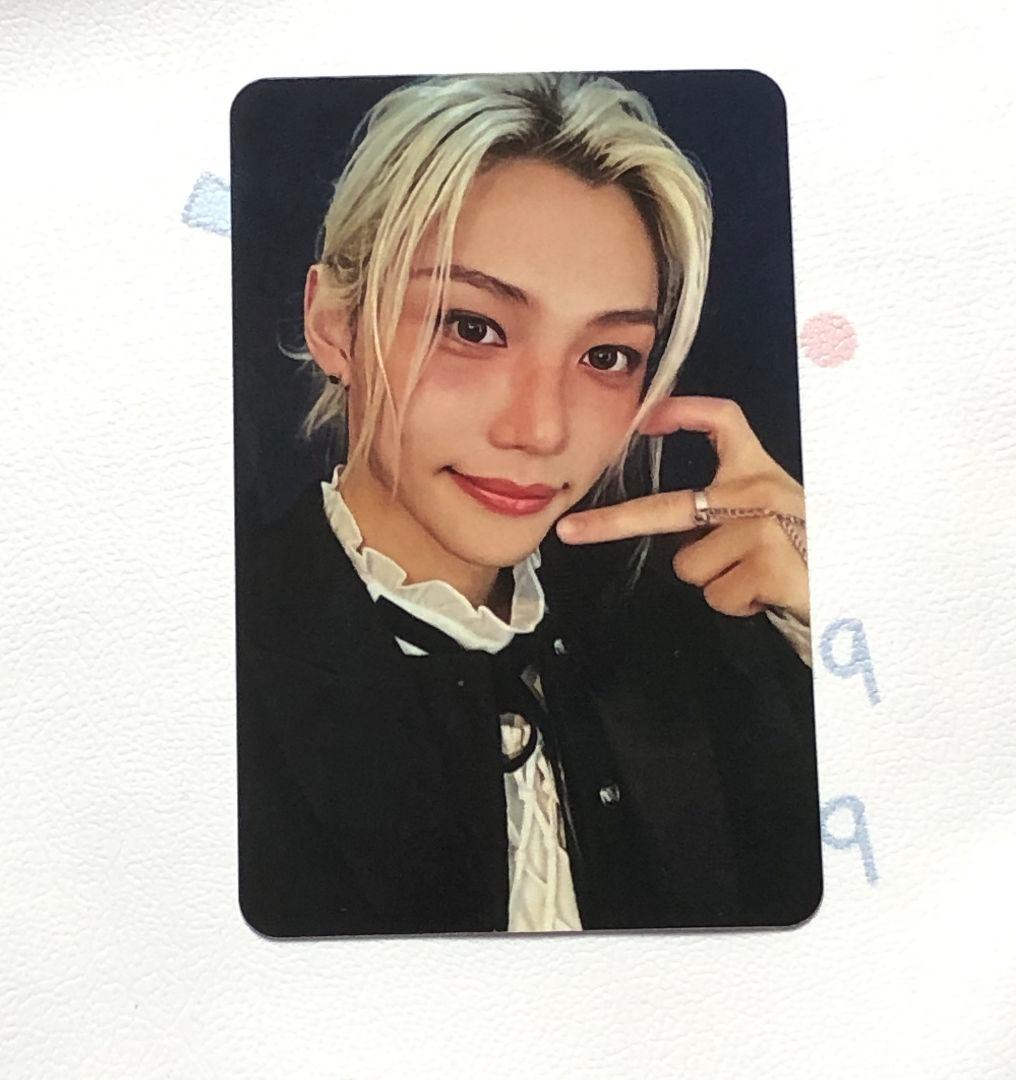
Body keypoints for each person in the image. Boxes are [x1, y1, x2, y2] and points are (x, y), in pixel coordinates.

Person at [236, 71, 821, 938]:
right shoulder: (209, 658)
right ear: (334, 325)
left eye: (607, 356)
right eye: (472, 327)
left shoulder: (717, 638)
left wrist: (835, 624)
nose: (542, 430)